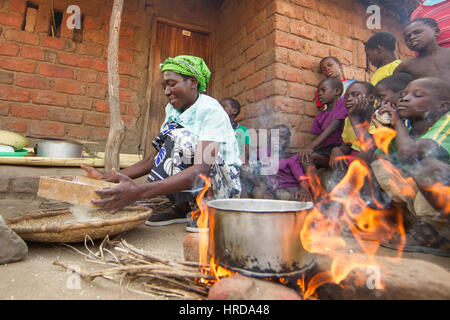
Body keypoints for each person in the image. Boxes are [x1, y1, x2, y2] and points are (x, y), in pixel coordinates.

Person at [80, 55, 242, 231]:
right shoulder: (172, 110)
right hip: (200, 173)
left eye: (172, 84)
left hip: (222, 183)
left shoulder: (210, 110)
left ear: (193, 82)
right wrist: (107, 178)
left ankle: (209, 209)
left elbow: (202, 168)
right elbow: (153, 160)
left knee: (181, 137)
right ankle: (184, 207)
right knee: (173, 139)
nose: (166, 92)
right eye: (164, 86)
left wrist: (139, 192)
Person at [355, 77, 450, 256]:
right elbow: (372, 156)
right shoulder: (409, 131)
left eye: (417, 95)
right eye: (404, 95)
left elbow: (410, 153)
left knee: (427, 167)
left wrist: (397, 122)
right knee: (376, 164)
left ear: (442, 106)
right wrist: (383, 132)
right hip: (428, 206)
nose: (405, 99)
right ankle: (404, 227)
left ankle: (440, 232)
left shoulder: (447, 121)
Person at [253, 125, 311, 201]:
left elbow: (301, 177)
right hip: (269, 189)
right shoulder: (261, 153)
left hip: (288, 190)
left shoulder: (291, 158)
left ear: (288, 142)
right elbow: (248, 167)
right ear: (269, 138)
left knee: (283, 195)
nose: (278, 140)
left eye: (283, 138)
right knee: (257, 191)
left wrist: (304, 189)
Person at [299, 78, 348, 169]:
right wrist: (309, 150)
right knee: (303, 158)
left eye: (323, 90)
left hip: (339, 147)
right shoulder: (320, 116)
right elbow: (319, 139)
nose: (320, 94)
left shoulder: (342, 103)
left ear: (337, 91)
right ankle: (312, 182)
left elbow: (333, 126)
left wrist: (310, 147)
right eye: (318, 92)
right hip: (325, 150)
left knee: (309, 157)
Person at [329, 81, 377, 173]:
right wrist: (336, 150)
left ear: (371, 98)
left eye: (355, 95)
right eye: (346, 96)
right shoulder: (348, 121)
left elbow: (369, 149)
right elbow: (346, 147)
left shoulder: (379, 118)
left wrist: (353, 117)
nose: (349, 99)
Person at [394, 18, 450, 82]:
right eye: (407, 37)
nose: (412, 37)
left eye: (417, 32)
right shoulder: (406, 66)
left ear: (436, 32)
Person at [221, 98, 250, 165]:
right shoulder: (216, 128)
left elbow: (245, 152)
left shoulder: (242, 130)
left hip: (235, 165)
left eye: (223, 107)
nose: (219, 109)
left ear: (234, 111)